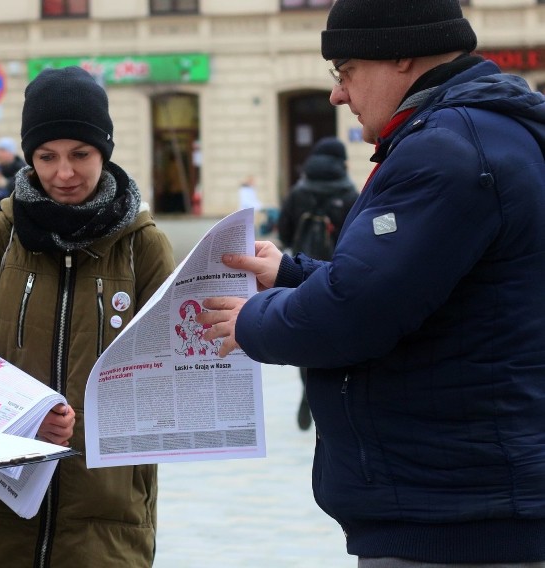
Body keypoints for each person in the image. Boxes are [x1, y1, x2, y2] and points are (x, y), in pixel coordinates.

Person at [198, 0, 545, 565]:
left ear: (401, 54)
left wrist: (250, 321)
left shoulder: (446, 148)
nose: (338, 93)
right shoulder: (486, 132)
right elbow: (417, 287)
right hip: (466, 497)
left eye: (346, 70)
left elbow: (356, 312)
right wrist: (290, 274)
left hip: (451, 517)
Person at [0, 65, 175, 567]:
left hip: (108, 515)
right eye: (46, 156)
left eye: (80, 154)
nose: (63, 173)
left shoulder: (143, 247)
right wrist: (24, 416)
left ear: (105, 150)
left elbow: (174, 366)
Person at [277, 136, 358, 431]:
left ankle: (307, 387)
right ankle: (328, 396)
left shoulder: (299, 190)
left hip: (299, 273)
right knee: (334, 334)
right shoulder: (349, 192)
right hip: (338, 274)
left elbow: (284, 232)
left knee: (303, 333)